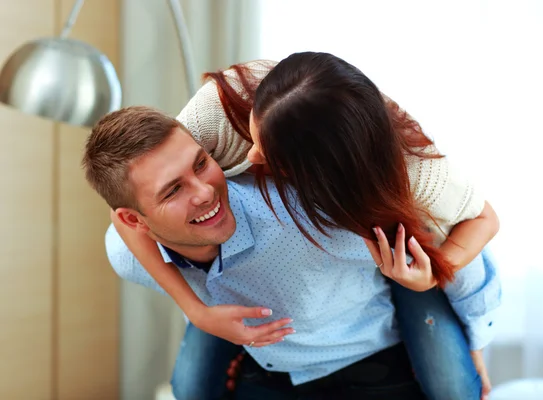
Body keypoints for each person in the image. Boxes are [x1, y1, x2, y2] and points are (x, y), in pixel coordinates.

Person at [87, 56, 500, 399]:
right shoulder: (217, 112)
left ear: (319, 175)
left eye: (270, 157)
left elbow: (477, 231)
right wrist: (198, 310)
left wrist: (471, 335)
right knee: (189, 388)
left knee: (452, 382)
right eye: (175, 187)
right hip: (262, 350)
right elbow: (130, 199)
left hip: (386, 293)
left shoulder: (401, 189)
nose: (250, 158)